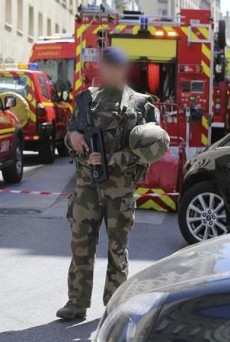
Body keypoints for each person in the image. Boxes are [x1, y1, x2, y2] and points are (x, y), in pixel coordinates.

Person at [57, 47, 159, 320]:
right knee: (81, 246)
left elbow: (154, 147)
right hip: (86, 188)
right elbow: (69, 134)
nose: (109, 71)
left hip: (119, 188)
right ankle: (76, 303)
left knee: (117, 249)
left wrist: (115, 157)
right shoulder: (85, 100)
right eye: (106, 66)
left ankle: (114, 306)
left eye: (115, 67)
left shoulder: (140, 104)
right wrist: (74, 139)